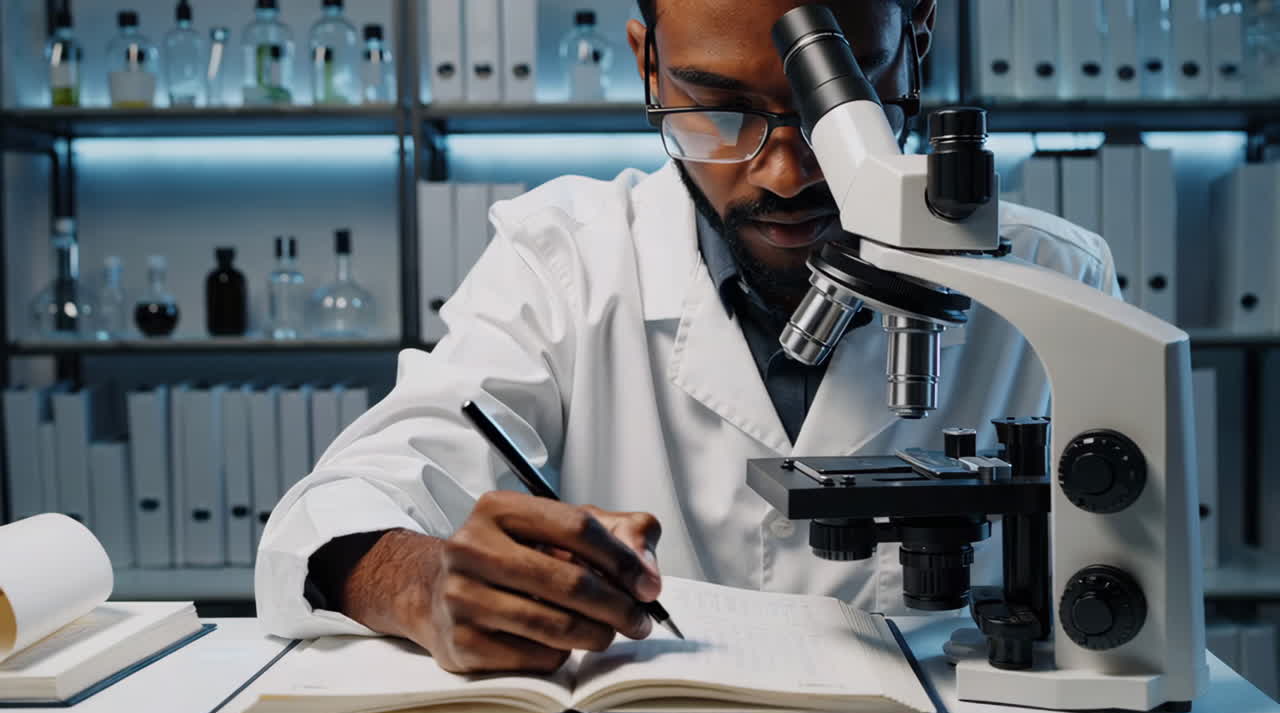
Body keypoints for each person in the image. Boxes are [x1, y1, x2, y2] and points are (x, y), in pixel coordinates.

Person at [257, 0, 1120, 674]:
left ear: (915, 45)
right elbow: (347, 500)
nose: (785, 175)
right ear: (649, 67)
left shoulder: (1059, 284)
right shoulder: (564, 258)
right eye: (720, 111)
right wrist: (428, 584)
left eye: (831, 112)